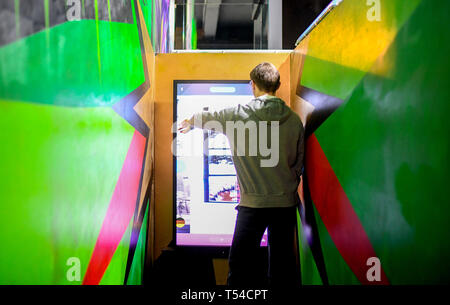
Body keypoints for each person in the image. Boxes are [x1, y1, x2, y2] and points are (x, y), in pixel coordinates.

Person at [178, 62, 304, 287]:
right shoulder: (294, 121)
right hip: (285, 206)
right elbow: (298, 164)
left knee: (240, 270)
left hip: (252, 207)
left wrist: (189, 122)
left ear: (252, 85)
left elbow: (209, 117)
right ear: (277, 86)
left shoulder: (237, 115)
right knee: (281, 270)